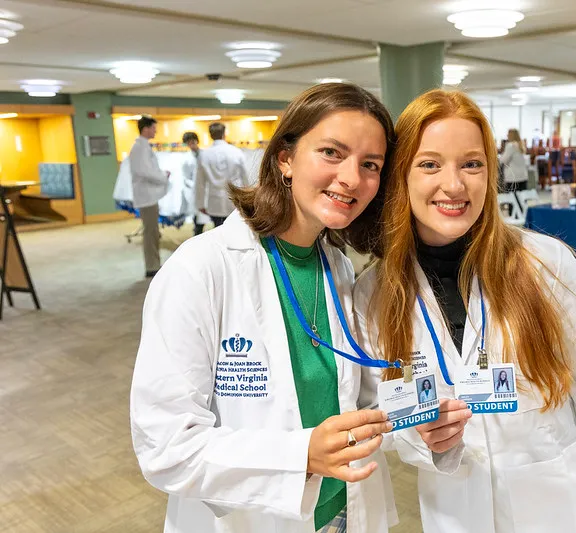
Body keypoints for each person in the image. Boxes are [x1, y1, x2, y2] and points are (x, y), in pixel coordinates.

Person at [354, 89, 576, 533]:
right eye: (430, 164)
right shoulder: (375, 292)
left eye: (471, 164)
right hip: (456, 511)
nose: (454, 185)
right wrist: (424, 441)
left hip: (556, 508)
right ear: (401, 177)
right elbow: (381, 411)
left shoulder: (546, 264)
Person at [130, 83, 399, 533]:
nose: (352, 178)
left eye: (370, 164)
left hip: (341, 512)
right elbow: (166, 448)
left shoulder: (337, 268)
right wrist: (301, 455)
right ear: (285, 158)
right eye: (332, 152)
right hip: (252, 518)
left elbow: (358, 398)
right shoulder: (200, 269)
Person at [129, 116, 170, 278]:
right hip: (146, 197)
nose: (155, 131)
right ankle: (152, 265)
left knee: (153, 231)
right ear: (145, 128)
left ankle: (154, 262)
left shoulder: (143, 147)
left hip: (149, 195)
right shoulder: (139, 148)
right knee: (150, 232)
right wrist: (162, 176)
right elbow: (144, 171)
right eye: (153, 128)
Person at [195, 122, 250, 228]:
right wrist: (248, 199)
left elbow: (200, 183)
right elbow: (245, 177)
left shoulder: (204, 155)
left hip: (214, 201)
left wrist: (200, 203)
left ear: (210, 135)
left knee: (218, 230)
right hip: (234, 199)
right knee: (235, 229)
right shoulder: (236, 152)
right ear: (224, 134)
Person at [181, 131, 211, 236]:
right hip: (194, 191)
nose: (192, 145)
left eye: (193, 141)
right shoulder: (186, 159)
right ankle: (197, 235)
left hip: (207, 190)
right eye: (189, 143)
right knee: (197, 218)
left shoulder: (206, 155)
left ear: (197, 141)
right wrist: (195, 185)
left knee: (209, 216)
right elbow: (185, 178)